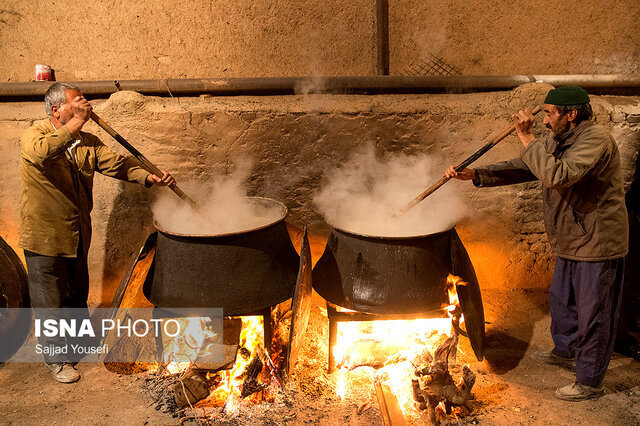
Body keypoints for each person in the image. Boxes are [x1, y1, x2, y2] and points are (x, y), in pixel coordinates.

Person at [445, 86, 628, 401]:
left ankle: (589, 381)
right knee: (561, 299)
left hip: (596, 242)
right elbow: (525, 165)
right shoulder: (559, 140)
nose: (544, 121)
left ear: (571, 115)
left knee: (592, 313)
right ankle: (566, 351)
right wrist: (476, 174)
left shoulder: (596, 140)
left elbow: (557, 175)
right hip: (572, 238)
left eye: (549, 113)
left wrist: (527, 138)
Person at [19, 82, 176, 383]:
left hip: (77, 235)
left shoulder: (85, 142)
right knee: (50, 304)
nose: (85, 106)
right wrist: (78, 121)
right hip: (45, 239)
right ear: (56, 110)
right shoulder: (35, 135)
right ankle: (56, 361)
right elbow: (41, 154)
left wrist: (148, 175)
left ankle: (77, 346)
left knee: (76, 296)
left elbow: (117, 163)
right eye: (76, 102)